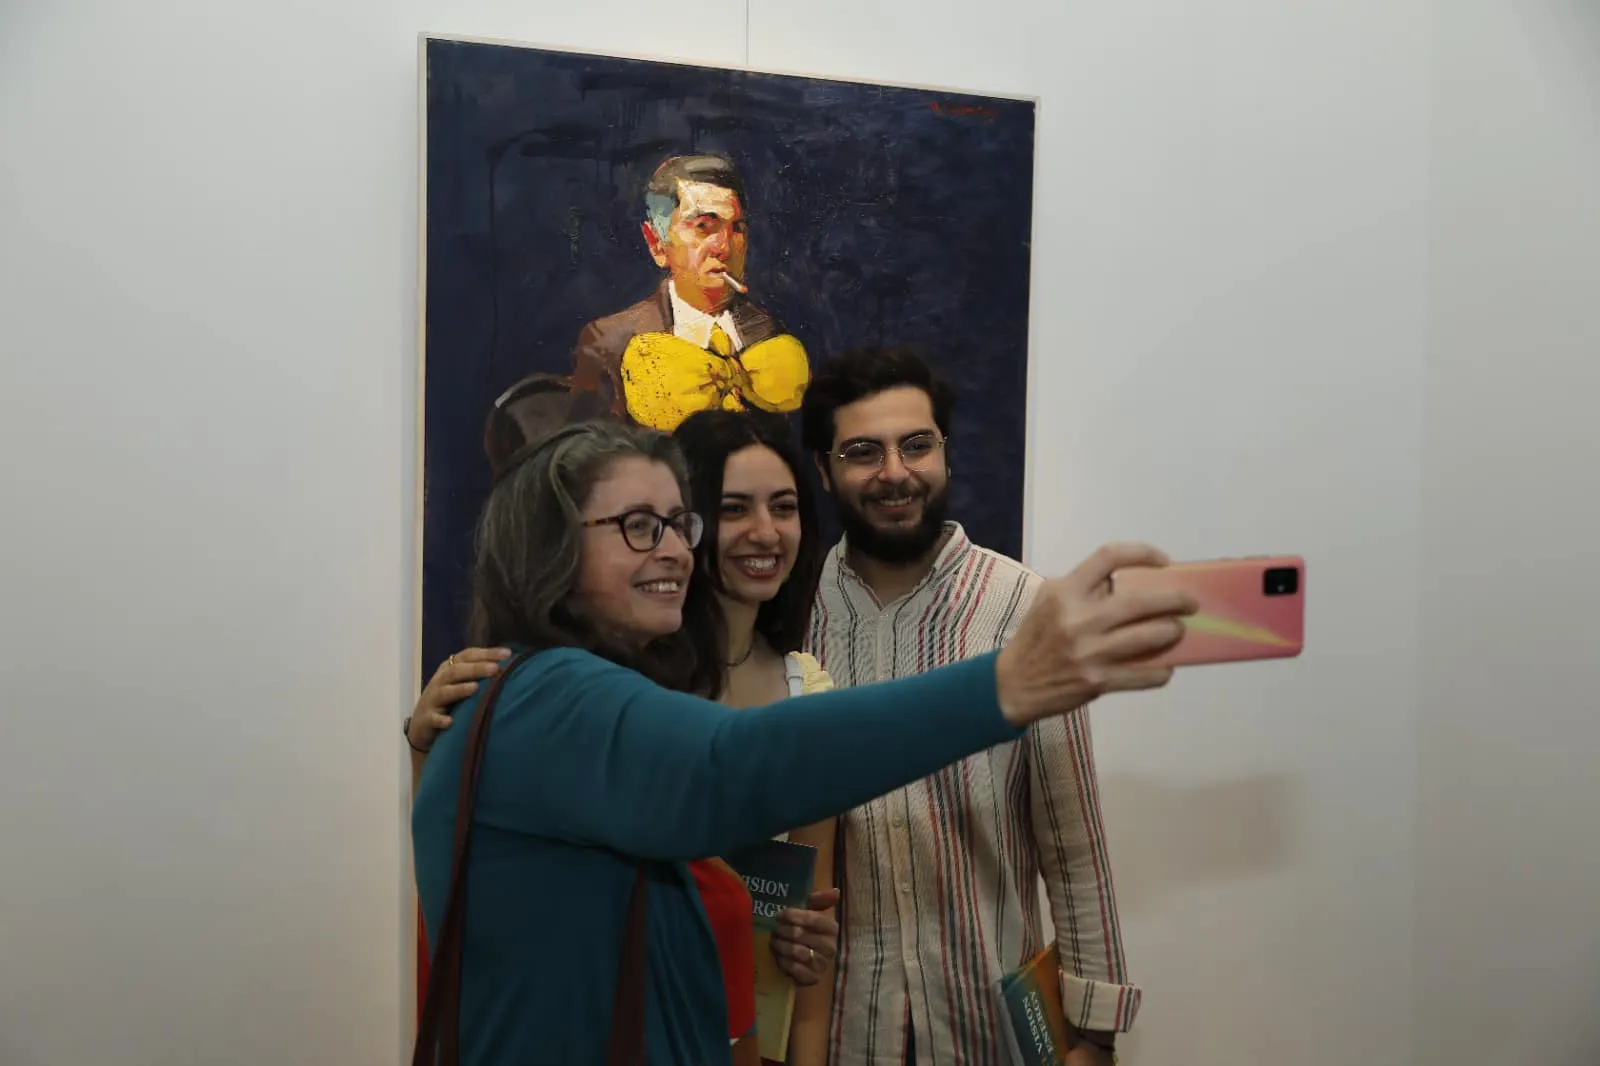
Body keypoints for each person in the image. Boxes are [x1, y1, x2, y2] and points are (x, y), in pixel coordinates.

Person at [409, 418, 1194, 1065]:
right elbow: (734, 763)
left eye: (679, 523)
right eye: (638, 527)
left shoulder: (531, 695)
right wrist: (1007, 683)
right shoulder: (551, 696)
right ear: (546, 547)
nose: (676, 550)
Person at [410, 409, 841, 1066]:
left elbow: (788, 930)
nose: (764, 531)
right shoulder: (580, 698)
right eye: (733, 508)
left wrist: (791, 942)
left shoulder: (805, 686)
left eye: (784, 507)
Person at [797, 346, 1134, 1065]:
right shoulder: (793, 620)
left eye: (916, 445)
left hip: (991, 1032)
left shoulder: (1024, 610)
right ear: (823, 470)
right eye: (863, 452)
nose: (895, 472)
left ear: (945, 452)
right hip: (839, 1033)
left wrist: (1094, 1032)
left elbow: (1073, 847)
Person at [484, 153, 809, 452]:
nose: (723, 247)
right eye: (703, 227)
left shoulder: (768, 334)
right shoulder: (609, 343)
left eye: (736, 228)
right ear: (657, 244)